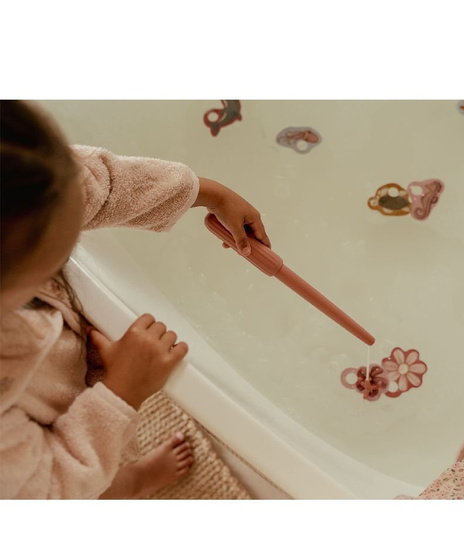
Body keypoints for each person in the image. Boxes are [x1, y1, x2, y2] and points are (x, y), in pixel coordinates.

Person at [0, 100, 271, 499]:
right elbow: (50, 490)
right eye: (53, 261)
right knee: (100, 490)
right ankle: (134, 483)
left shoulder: (25, 178)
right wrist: (122, 390)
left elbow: (97, 186)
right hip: (51, 466)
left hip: (57, 383)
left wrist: (205, 192)